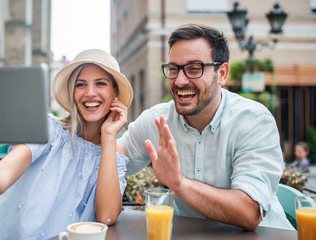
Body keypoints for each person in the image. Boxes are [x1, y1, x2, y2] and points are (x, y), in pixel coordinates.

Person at [119, 24, 293, 230]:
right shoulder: (156, 120)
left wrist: (180, 184)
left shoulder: (253, 120)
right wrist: (104, 128)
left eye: (194, 68)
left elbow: (250, 212)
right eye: (173, 69)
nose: (180, 81)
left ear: (222, 74)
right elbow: (109, 160)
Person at [0, 49, 133, 239]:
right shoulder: (47, 129)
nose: (90, 93)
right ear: (72, 92)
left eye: (101, 83)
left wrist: (109, 137)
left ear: (114, 92)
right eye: (80, 84)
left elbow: (107, 217)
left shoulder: (115, 151)